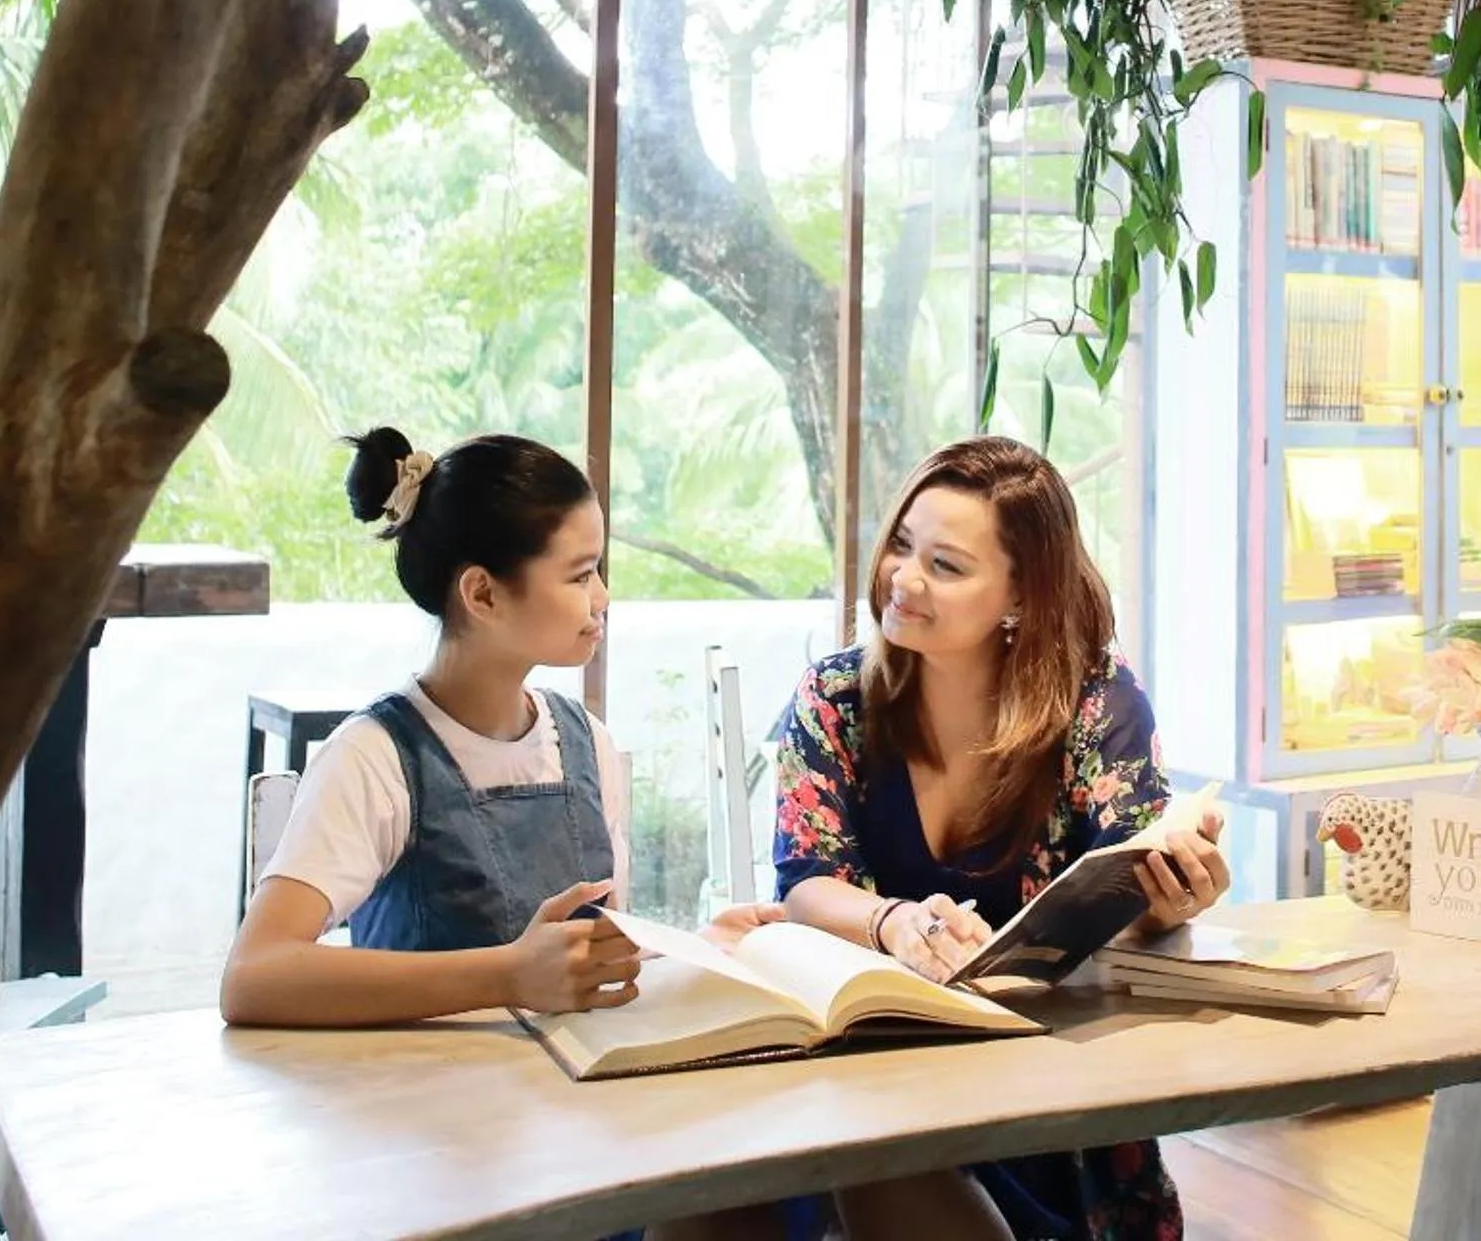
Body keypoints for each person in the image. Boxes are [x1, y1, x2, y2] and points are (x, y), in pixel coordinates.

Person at [676, 436, 1228, 1241]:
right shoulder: (835, 695)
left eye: (946, 565)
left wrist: (1176, 898)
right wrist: (893, 921)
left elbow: (1129, 875)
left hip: (1040, 1091)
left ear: (1021, 596)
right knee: (718, 1187)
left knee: (883, 1171)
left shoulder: (1095, 703)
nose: (903, 578)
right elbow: (805, 876)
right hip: (866, 1066)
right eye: (902, 544)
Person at [221, 427, 777, 1029]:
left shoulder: (586, 743)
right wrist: (507, 975)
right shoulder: (374, 758)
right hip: (422, 1109)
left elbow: (579, 966)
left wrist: (703, 947)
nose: (603, 598)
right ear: (482, 594)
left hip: (572, 1107)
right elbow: (255, 977)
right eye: (579, 575)